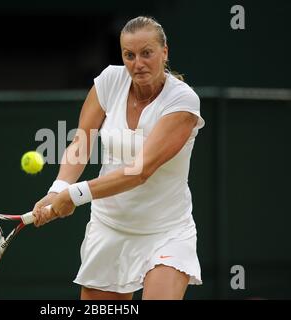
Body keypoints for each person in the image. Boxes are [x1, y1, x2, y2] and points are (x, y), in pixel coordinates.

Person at [32, 16, 205, 300]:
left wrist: (75, 195)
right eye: (129, 55)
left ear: (165, 52)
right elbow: (82, 140)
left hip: (166, 231)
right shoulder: (110, 80)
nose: (138, 64)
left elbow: (140, 171)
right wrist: (59, 189)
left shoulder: (183, 101)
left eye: (147, 53)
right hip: (109, 227)